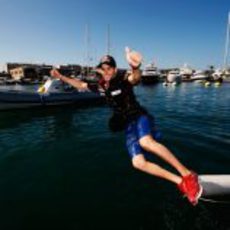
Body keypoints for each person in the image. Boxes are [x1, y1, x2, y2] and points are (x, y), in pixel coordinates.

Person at [50, 47, 202, 205]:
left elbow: (134, 79)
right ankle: (180, 182)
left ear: (114, 69)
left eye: (109, 68)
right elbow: (81, 85)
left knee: (146, 142)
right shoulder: (102, 85)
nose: (106, 71)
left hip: (139, 116)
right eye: (103, 69)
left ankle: (187, 174)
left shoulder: (123, 78)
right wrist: (61, 76)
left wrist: (135, 67)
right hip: (128, 125)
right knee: (138, 163)